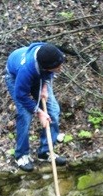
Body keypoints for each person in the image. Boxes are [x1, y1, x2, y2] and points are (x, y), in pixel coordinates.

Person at [5, 42, 67, 172]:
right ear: (46, 67)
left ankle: (45, 152)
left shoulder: (48, 51)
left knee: (53, 111)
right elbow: (21, 95)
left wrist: (44, 87)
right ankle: (21, 155)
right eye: (57, 67)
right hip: (15, 77)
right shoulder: (26, 70)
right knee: (25, 115)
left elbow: (49, 72)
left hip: (38, 75)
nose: (60, 69)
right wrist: (39, 112)